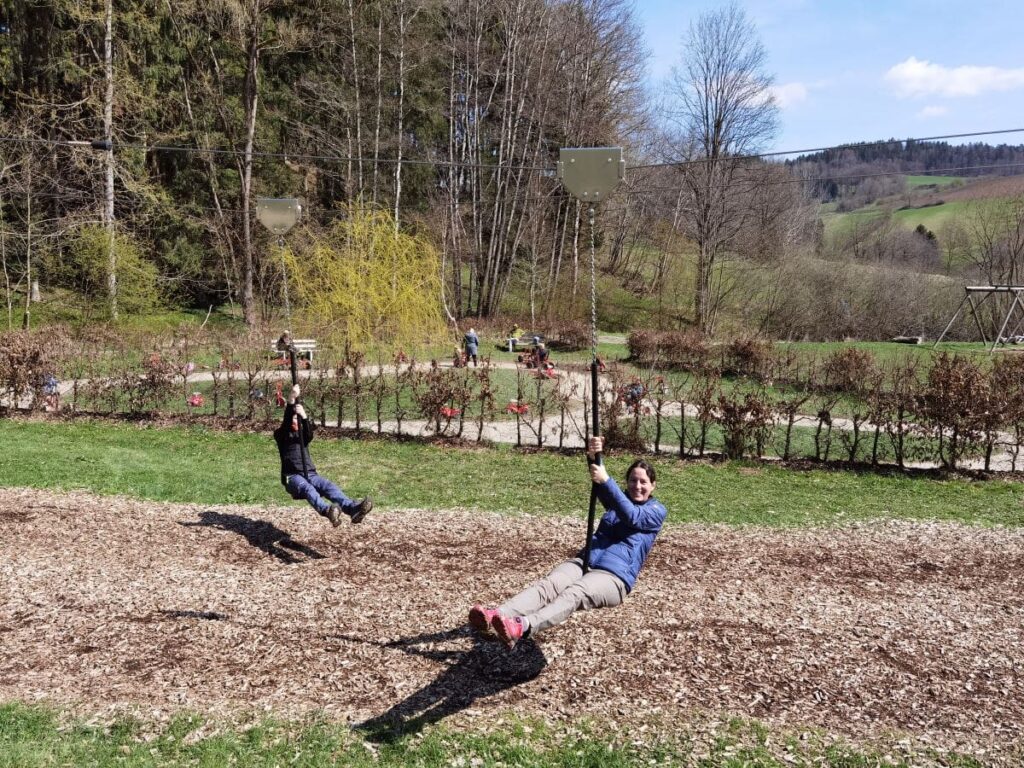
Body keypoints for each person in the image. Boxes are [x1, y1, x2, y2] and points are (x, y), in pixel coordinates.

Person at [469, 436, 666, 649]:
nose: (637, 486)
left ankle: (522, 626)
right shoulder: (618, 501)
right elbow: (603, 487)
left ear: (653, 486)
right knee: (549, 585)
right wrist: (593, 456)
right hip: (586, 562)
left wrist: (606, 479)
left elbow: (632, 516)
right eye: (633, 481)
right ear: (626, 483)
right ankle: (497, 616)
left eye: (643, 482)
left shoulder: (656, 512)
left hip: (614, 578)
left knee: (575, 593)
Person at [274, 384, 373, 527]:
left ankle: (353, 509)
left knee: (328, 486)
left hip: (310, 474)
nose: (296, 421)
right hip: (291, 477)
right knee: (308, 489)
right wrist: (291, 398)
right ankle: (327, 510)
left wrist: (304, 417)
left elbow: (308, 433)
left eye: (298, 420)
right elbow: (287, 420)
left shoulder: (303, 436)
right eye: (294, 419)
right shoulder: (281, 435)